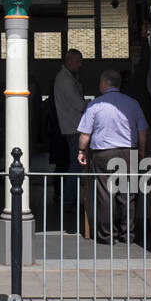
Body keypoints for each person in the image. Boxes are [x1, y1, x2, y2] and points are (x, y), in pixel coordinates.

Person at [77, 68, 149, 245]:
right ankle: (128, 235)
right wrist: (141, 152)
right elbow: (142, 131)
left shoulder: (95, 105)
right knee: (127, 196)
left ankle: (107, 236)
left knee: (105, 194)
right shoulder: (133, 103)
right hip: (127, 153)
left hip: (103, 154)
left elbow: (85, 134)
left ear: (103, 84)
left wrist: (81, 151)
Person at [52, 49, 87, 214]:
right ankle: (68, 198)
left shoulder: (68, 78)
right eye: (79, 61)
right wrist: (90, 104)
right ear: (70, 61)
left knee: (74, 164)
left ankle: (69, 197)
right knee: (76, 165)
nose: (81, 65)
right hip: (73, 127)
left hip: (71, 126)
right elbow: (79, 105)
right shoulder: (65, 80)